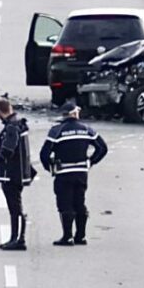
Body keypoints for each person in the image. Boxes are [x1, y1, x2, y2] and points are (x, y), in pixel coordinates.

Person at [39, 101, 108, 246]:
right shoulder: (87, 129)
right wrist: (91, 161)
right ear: (75, 113)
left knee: (65, 204)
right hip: (82, 172)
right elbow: (102, 148)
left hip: (63, 172)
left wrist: (50, 168)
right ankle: (81, 236)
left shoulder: (56, 131)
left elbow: (44, 154)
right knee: (79, 202)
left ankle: (67, 236)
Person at [0, 98, 35, 251]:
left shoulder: (12, 128)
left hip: (12, 173)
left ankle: (18, 239)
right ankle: (16, 238)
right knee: (15, 206)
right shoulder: (19, 124)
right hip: (19, 172)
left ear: (0, 112)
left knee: (15, 207)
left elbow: (8, 150)